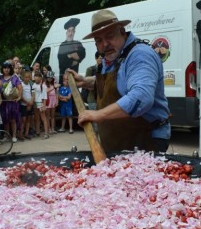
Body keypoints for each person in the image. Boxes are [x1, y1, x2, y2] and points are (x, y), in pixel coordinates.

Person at [68, 9, 171, 154]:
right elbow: (117, 84)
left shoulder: (140, 55)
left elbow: (141, 98)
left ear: (122, 31)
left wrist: (98, 115)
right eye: (98, 40)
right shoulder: (110, 57)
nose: (105, 44)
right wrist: (85, 81)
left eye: (109, 36)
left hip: (144, 139)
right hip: (117, 141)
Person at [58, 18, 86, 84]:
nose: (71, 33)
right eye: (69, 31)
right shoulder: (62, 45)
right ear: (66, 32)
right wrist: (74, 58)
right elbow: (62, 61)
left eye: (72, 31)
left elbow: (83, 54)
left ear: (74, 32)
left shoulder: (78, 44)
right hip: (64, 80)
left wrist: (70, 56)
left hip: (75, 77)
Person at [0, 62, 22, 142]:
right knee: (5, 120)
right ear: (2, 69)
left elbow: (19, 87)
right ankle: (7, 135)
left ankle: (14, 136)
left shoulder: (14, 78)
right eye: (5, 68)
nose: (6, 69)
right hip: (3, 102)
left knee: (13, 120)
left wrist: (19, 97)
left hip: (12, 102)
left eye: (8, 68)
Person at [32, 72, 49, 139]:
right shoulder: (33, 85)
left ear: (40, 78)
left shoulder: (43, 86)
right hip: (35, 103)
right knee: (37, 118)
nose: (36, 78)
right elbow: (33, 94)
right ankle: (38, 132)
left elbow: (45, 96)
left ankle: (46, 133)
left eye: (37, 76)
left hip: (41, 103)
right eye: (35, 76)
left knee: (43, 118)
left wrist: (44, 105)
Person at [19, 70, 35, 141]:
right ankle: (21, 134)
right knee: (23, 120)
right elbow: (21, 96)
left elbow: (33, 94)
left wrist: (31, 103)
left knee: (28, 119)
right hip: (23, 105)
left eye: (29, 77)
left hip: (30, 105)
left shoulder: (31, 85)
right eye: (26, 77)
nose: (27, 78)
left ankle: (26, 133)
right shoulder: (21, 85)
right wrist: (27, 103)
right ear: (23, 77)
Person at [45, 71, 58, 135]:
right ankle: (49, 129)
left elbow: (56, 93)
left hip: (54, 99)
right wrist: (54, 87)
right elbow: (46, 91)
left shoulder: (54, 84)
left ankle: (53, 129)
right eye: (48, 77)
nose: (49, 79)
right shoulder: (45, 84)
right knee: (48, 116)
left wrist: (57, 100)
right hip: (48, 99)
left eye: (50, 78)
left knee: (53, 115)